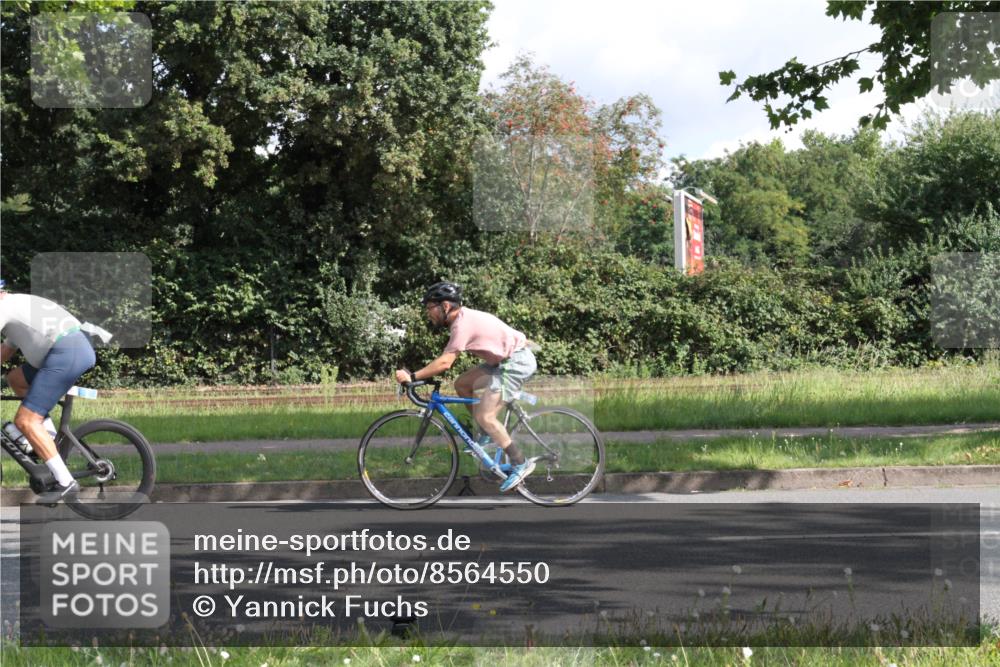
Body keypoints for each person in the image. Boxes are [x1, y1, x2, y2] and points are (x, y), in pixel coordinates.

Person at [395, 281, 538, 492]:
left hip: (516, 362)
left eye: (430, 308)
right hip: (501, 361)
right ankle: (486, 434)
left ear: (445, 306)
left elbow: (445, 362)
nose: (428, 313)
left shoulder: (463, 324)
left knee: (486, 416)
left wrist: (412, 376)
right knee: (462, 384)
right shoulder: (460, 321)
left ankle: (519, 462)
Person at [0, 279, 96, 501]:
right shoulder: (13, 306)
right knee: (16, 379)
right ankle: (48, 438)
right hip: (66, 350)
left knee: (26, 421)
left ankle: (65, 482)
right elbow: (5, 351)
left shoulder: (4, 308)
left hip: (66, 351)